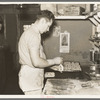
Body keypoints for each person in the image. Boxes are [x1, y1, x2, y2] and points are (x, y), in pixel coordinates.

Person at [18, 10, 63, 95]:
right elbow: (36, 62)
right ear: (42, 21)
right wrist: (54, 61)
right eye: (48, 26)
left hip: (30, 76)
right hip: (31, 79)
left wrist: (51, 66)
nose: (48, 29)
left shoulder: (31, 32)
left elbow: (35, 58)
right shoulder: (33, 35)